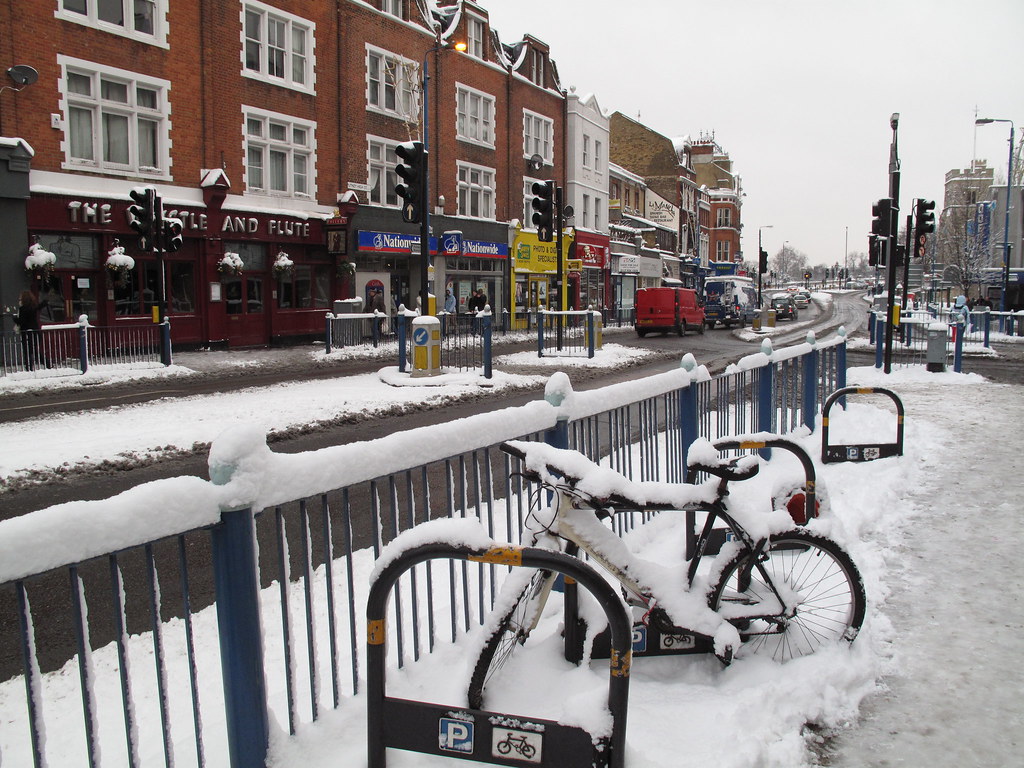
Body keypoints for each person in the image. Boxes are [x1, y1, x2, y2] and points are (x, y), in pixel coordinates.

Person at [15, 290, 42, 371]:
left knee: (27, 351)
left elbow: (21, 321)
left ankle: (29, 367)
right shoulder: (33, 307)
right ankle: (47, 364)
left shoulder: (23, 309)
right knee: (34, 351)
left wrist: (15, 319)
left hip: (26, 332)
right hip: (35, 331)